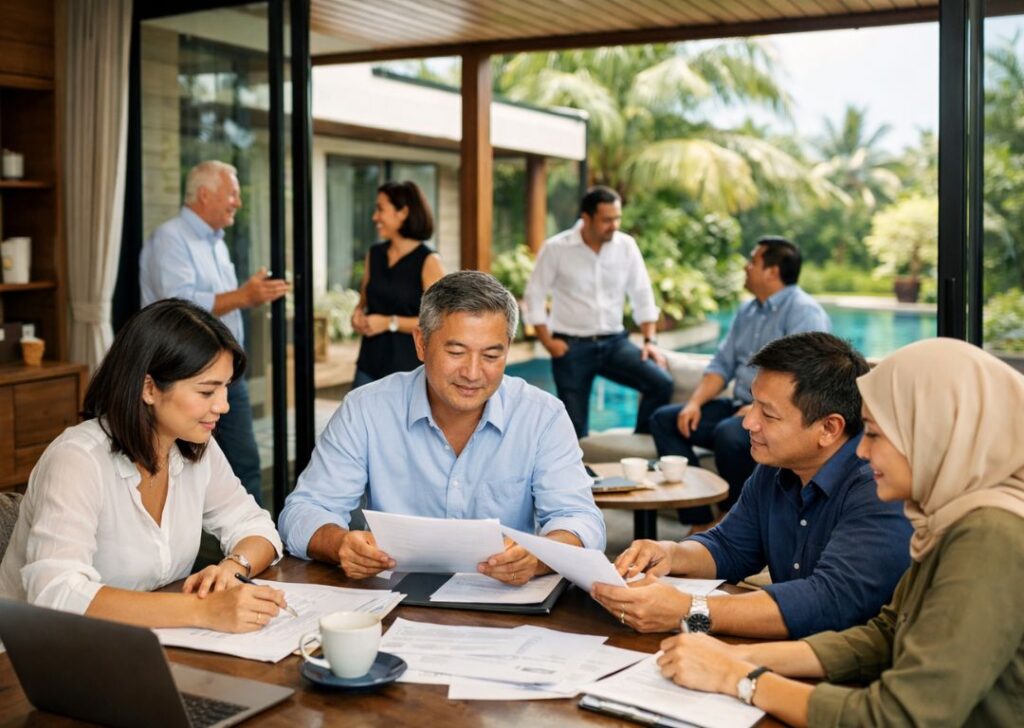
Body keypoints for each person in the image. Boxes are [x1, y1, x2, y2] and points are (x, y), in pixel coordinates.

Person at [654, 338, 1024, 727]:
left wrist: (739, 678)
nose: (861, 450)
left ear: (935, 437)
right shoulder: (948, 519)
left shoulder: (989, 534)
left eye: (876, 435)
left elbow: (898, 717)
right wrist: (744, 657)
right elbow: (884, 634)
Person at [279, 271, 606, 582]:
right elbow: (303, 511)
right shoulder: (366, 409)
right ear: (421, 343)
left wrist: (538, 557)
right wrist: (339, 545)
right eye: (456, 352)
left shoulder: (542, 416)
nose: (473, 373)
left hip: (506, 606)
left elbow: (581, 520)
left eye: (492, 356)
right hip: (392, 601)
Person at [592, 332, 911, 639]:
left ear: (829, 428)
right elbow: (730, 547)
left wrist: (689, 611)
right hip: (792, 650)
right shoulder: (776, 468)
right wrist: (671, 553)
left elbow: (829, 602)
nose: (748, 422)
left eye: (768, 414)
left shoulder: (878, 483)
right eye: (752, 404)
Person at [0, 299, 289, 633]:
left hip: (137, 645)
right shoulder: (77, 459)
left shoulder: (195, 445)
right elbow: (56, 593)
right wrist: (202, 611)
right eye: (207, 391)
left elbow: (255, 525)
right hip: (31, 658)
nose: (223, 406)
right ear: (149, 388)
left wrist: (233, 567)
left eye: (225, 388)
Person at [649, 237, 830, 526]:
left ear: (772, 271)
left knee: (730, 434)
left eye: (753, 261)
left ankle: (734, 520)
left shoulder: (804, 312)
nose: (746, 267)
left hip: (775, 414)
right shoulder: (747, 311)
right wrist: (694, 403)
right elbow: (722, 364)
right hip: (737, 407)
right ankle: (700, 520)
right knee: (665, 420)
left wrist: (759, 408)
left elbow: (810, 377)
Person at [139, 160, 290, 505]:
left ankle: (256, 543)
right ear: (204, 195)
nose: (238, 202)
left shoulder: (217, 243)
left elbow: (215, 304)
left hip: (220, 375)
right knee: (183, 464)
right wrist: (244, 296)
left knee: (242, 463)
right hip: (186, 377)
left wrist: (243, 297)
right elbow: (177, 307)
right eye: (232, 194)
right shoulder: (171, 238)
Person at [522, 185, 673, 438]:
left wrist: (650, 340)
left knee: (661, 383)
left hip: (615, 343)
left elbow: (642, 293)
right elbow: (534, 295)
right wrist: (548, 341)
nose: (614, 225)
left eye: (617, 218)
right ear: (586, 218)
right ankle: (578, 474)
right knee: (574, 429)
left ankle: (641, 448)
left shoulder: (626, 246)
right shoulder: (557, 248)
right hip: (571, 347)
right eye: (607, 220)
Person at [350, 180, 445, 388]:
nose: (375, 217)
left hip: (407, 370)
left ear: (402, 212)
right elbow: (364, 301)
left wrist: (389, 322)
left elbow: (440, 320)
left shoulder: (429, 261)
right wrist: (357, 314)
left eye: (380, 209)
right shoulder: (374, 254)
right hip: (369, 364)